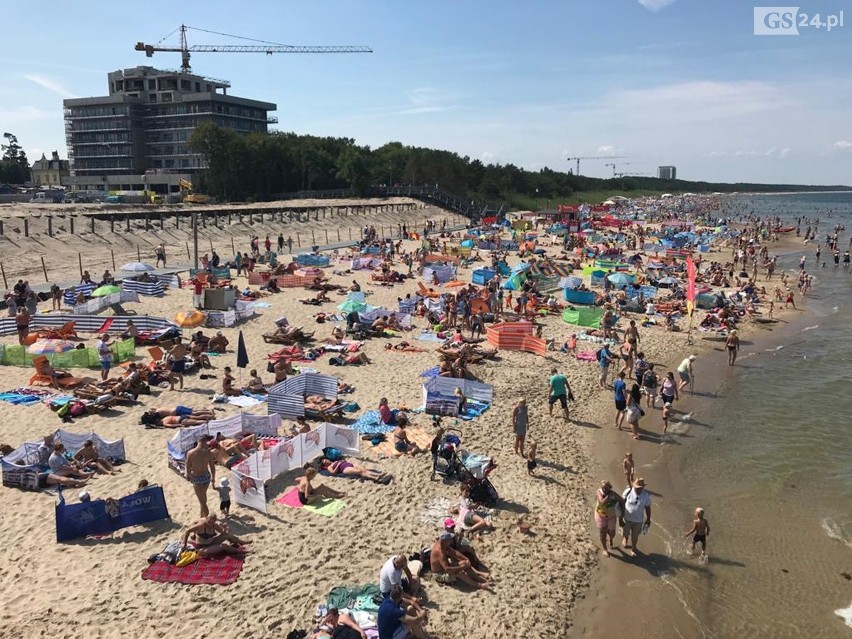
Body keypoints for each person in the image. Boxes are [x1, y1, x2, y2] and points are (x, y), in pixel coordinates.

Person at [181, 514, 250, 557]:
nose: (210, 523)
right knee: (223, 546)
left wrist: (224, 528)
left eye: (211, 522)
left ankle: (243, 542)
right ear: (207, 519)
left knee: (227, 535)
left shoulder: (215, 525)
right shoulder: (201, 525)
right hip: (202, 547)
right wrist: (184, 543)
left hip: (211, 542)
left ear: (214, 521)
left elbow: (223, 533)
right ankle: (240, 552)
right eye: (208, 521)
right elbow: (187, 531)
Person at [185, 436, 216, 517]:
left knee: (202, 501)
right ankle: (201, 515)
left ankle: (207, 518)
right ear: (205, 442)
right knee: (203, 497)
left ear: (197, 442)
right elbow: (212, 467)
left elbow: (187, 468)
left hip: (197, 478)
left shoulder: (190, 453)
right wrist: (213, 477)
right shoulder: (209, 453)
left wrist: (191, 477)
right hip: (206, 477)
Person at [621, 477, 652, 556]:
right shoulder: (628, 491)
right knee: (625, 532)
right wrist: (620, 517)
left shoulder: (646, 495)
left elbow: (647, 508)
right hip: (627, 518)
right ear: (633, 486)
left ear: (643, 487)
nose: (638, 489)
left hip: (638, 520)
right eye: (636, 488)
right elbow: (621, 503)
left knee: (635, 536)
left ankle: (633, 548)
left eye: (640, 488)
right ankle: (625, 538)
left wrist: (648, 520)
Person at [595, 480, 625, 557]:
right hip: (600, 516)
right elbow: (602, 502)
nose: (604, 490)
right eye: (603, 488)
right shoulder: (599, 492)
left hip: (611, 517)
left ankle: (610, 538)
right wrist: (609, 496)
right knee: (602, 532)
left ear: (609, 488)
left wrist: (622, 515)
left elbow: (622, 501)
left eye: (606, 488)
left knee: (612, 534)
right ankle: (605, 549)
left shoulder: (614, 494)